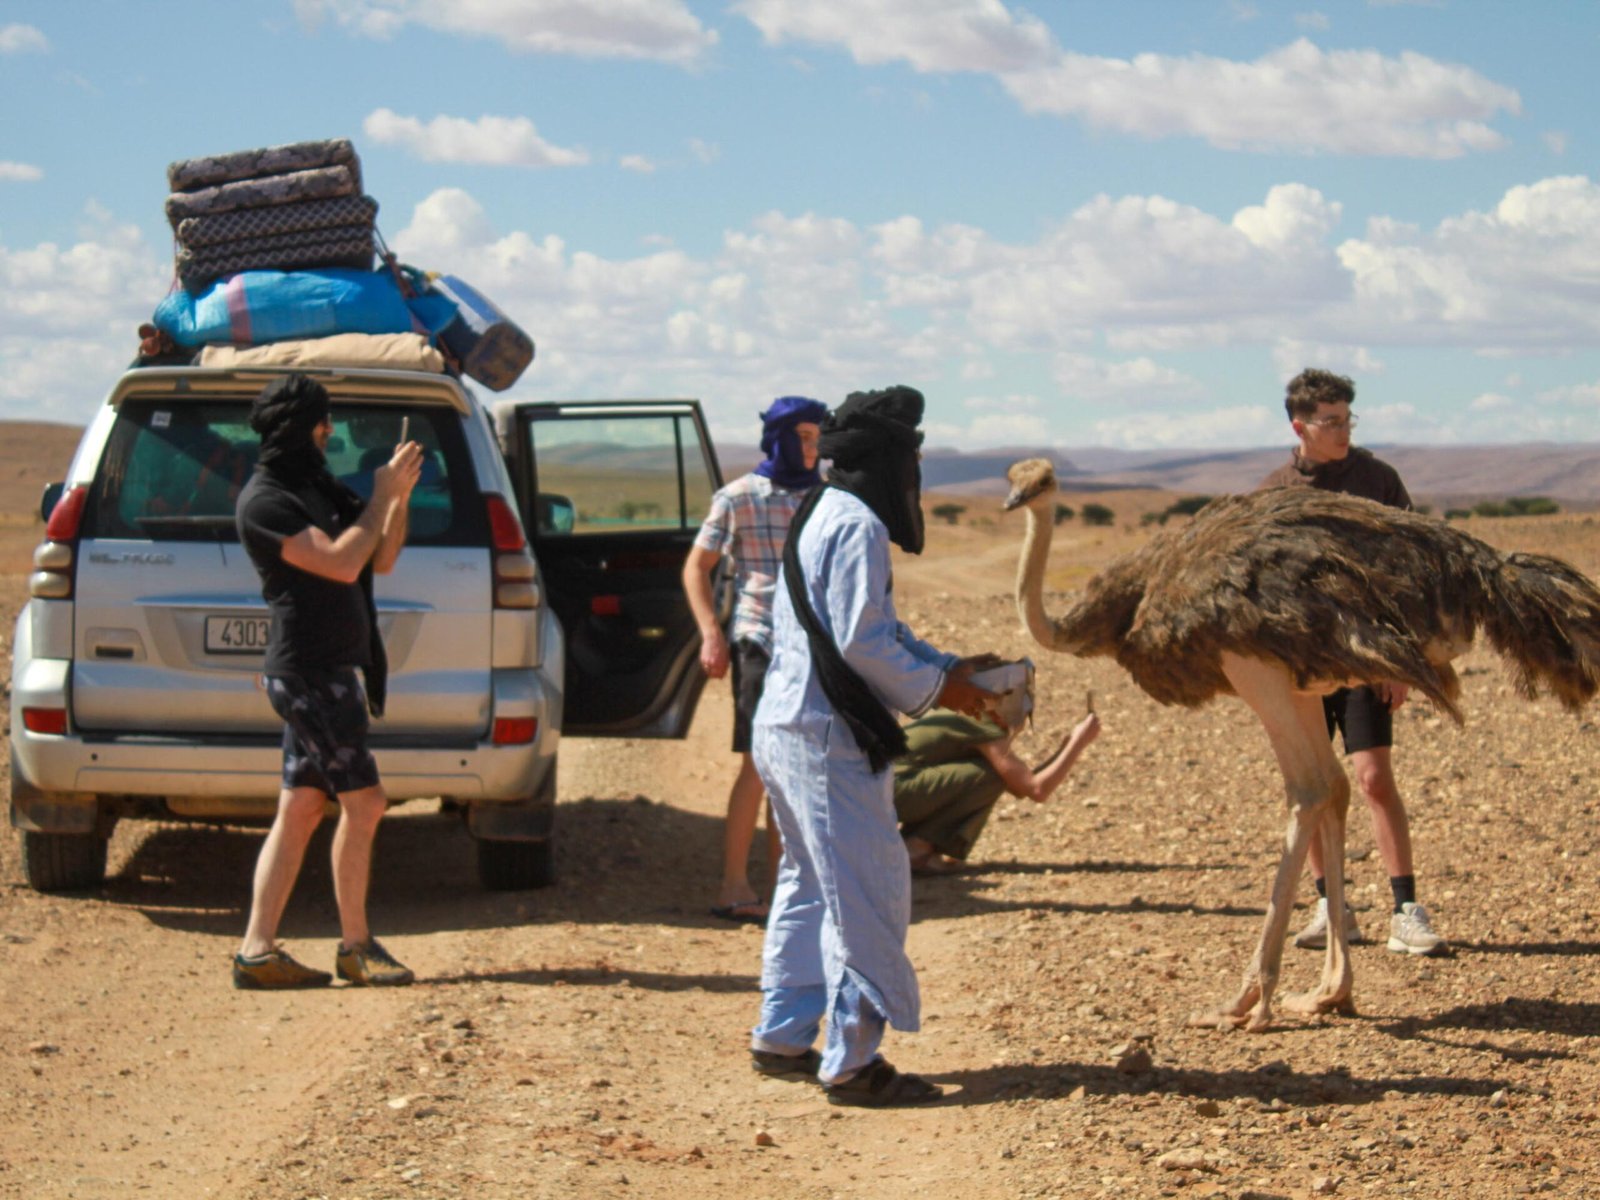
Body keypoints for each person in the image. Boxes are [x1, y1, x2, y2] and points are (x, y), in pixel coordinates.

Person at [747, 385, 1000, 1107]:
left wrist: (945, 667)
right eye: (910, 457)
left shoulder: (821, 508)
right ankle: (854, 1063)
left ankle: (784, 1033)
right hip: (827, 733)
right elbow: (862, 640)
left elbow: (865, 628)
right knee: (865, 890)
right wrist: (939, 690)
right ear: (885, 461)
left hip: (786, 723)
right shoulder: (855, 524)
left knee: (810, 880)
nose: (915, 471)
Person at [231, 374, 424, 989]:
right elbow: (341, 563)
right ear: (299, 427)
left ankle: (256, 953)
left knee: (302, 808)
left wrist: (397, 498)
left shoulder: (315, 486)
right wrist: (377, 498)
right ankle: (357, 947)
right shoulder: (265, 501)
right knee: (365, 804)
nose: (331, 432)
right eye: (323, 423)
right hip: (309, 674)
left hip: (332, 670)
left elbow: (380, 556)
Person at [1257, 367, 1445, 957]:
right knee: (1310, 785)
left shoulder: (1378, 480)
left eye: (1347, 420)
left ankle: (1405, 909)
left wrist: (1401, 661)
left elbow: (1412, 571)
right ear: (1300, 425)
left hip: (1367, 656)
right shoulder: (1274, 493)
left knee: (1373, 778)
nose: (1343, 431)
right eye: (1331, 422)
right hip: (1304, 664)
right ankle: (1330, 907)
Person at [683, 396, 829, 924]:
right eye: (805, 437)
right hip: (759, 642)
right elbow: (695, 568)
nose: (814, 448)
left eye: (818, 437)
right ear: (781, 439)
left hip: (815, 646)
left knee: (800, 769)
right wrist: (709, 635)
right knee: (760, 765)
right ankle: (733, 885)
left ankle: (787, 894)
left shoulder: (829, 499)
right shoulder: (739, 496)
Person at [895, 708, 1102, 875]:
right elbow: (1035, 789)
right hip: (893, 790)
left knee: (992, 775)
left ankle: (915, 846)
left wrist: (1065, 748)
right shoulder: (980, 718)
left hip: (883, 788)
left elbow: (1021, 785)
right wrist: (1078, 743)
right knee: (992, 775)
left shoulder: (967, 710)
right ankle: (917, 849)